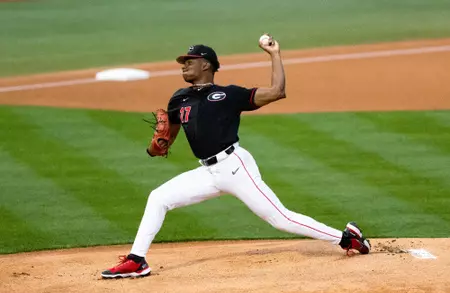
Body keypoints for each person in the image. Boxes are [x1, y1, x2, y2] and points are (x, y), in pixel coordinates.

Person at [101, 35, 370, 279]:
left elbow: (277, 91)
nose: (183, 65)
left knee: (280, 219)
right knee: (158, 197)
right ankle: (137, 260)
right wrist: (156, 146)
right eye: (183, 61)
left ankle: (347, 239)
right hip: (207, 173)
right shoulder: (178, 99)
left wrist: (274, 54)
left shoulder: (228, 94)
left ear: (206, 65)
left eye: (189, 61)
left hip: (234, 167)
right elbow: (166, 140)